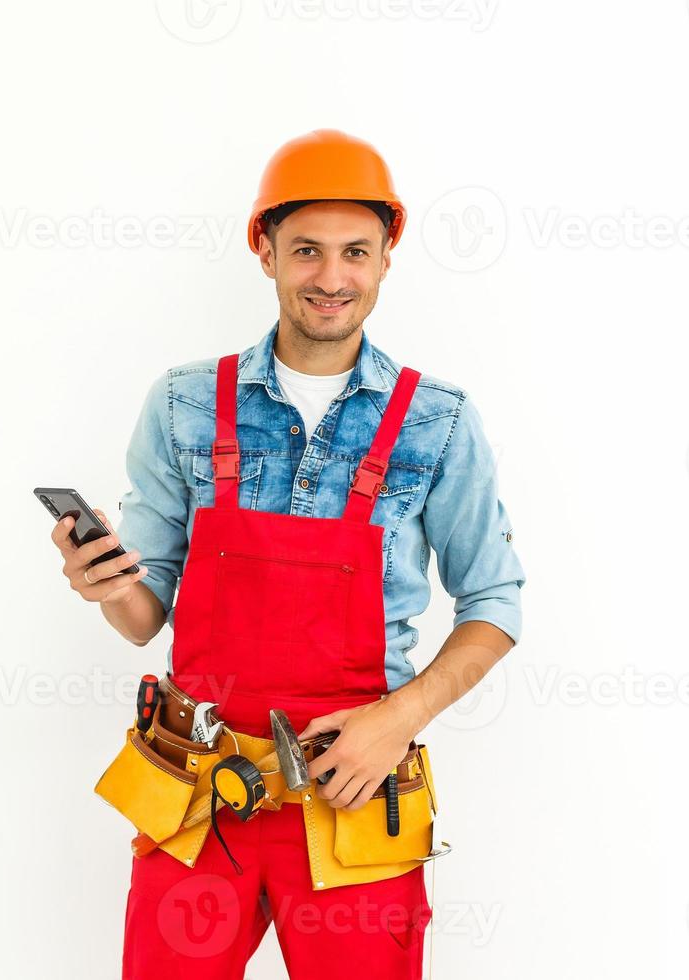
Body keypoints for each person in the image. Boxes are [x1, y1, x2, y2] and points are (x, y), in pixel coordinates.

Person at [46, 129, 525, 979]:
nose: (331, 277)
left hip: (353, 794)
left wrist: (398, 720)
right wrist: (106, 587)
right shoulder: (186, 403)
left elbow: (494, 602)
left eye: (354, 252)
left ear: (387, 258)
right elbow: (143, 613)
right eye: (306, 250)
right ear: (264, 250)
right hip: (199, 794)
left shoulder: (436, 419)